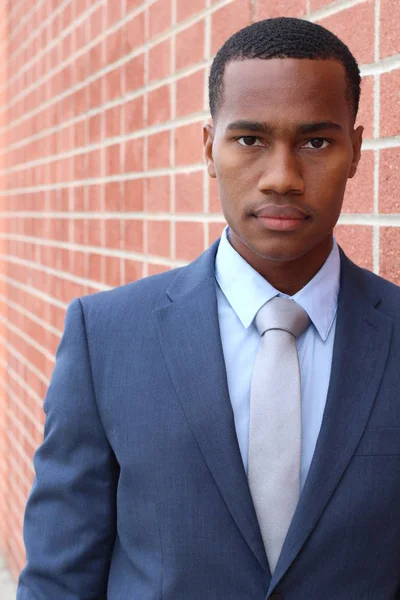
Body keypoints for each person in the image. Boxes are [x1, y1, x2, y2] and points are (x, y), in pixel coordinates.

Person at [17, 16, 400, 600]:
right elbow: (59, 578)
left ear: (356, 151)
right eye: (250, 139)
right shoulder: (107, 337)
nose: (283, 178)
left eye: (316, 141)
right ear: (208, 149)